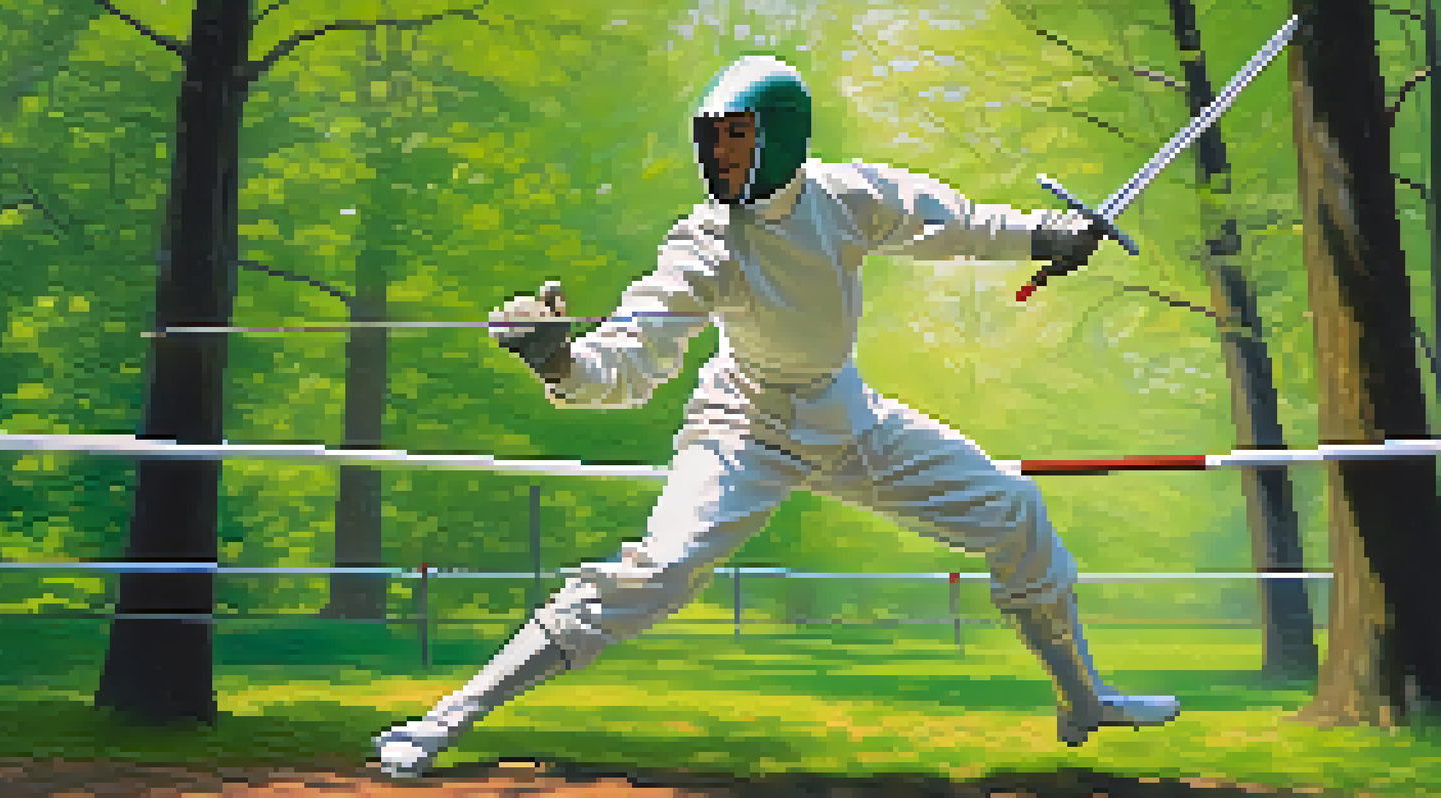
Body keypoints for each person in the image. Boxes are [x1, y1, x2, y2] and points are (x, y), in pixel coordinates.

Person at [375, 55, 1179, 778]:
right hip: (744, 430)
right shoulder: (707, 244)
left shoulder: (845, 195)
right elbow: (634, 353)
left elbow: (953, 222)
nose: (719, 155)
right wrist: (559, 360)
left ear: (780, 136)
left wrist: (1049, 234)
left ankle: (1086, 700)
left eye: (735, 136)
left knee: (1016, 509)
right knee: (660, 568)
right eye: (712, 138)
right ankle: (443, 721)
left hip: (848, 417)